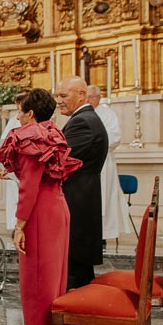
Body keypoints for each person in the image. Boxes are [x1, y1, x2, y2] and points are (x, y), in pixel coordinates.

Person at [0, 88, 81, 325]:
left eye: (20, 112)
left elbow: (30, 185)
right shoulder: (53, 132)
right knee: (53, 278)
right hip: (58, 206)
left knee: (37, 280)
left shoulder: (31, 135)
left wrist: (20, 224)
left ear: (30, 113)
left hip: (40, 213)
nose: (18, 118)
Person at [56, 76, 109, 290]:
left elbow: (59, 161)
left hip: (76, 202)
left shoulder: (82, 122)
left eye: (63, 95)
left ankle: (75, 320)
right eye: (56, 95)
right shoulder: (86, 119)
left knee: (74, 275)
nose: (58, 100)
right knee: (79, 273)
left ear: (81, 95)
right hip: (82, 200)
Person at [88, 86, 129, 241]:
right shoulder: (82, 114)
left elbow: (115, 137)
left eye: (91, 96)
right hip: (88, 162)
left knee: (105, 196)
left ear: (99, 97)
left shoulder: (108, 114)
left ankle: (103, 234)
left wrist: (94, 142)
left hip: (104, 161)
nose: (88, 100)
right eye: (86, 96)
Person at [0, 91, 31, 231]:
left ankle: (25, 226)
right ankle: (15, 226)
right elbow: (4, 141)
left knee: (26, 197)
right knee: (14, 198)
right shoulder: (13, 120)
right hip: (13, 167)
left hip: (25, 167)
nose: (18, 114)